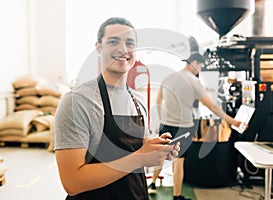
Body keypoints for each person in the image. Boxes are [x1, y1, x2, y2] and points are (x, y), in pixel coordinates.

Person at [54, 17, 180, 200]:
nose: (123, 49)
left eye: (130, 43)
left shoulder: (137, 100)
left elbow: (134, 147)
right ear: (99, 47)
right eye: (114, 41)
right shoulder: (78, 102)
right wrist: (140, 158)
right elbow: (72, 182)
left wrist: (155, 148)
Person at [148, 53, 244, 200]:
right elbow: (213, 107)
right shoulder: (194, 81)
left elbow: (158, 100)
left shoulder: (168, 78)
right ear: (193, 63)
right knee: (178, 161)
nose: (200, 69)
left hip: (166, 124)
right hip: (183, 127)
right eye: (200, 66)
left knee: (160, 156)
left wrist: (160, 120)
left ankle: (152, 184)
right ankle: (177, 196)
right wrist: (234, 122)